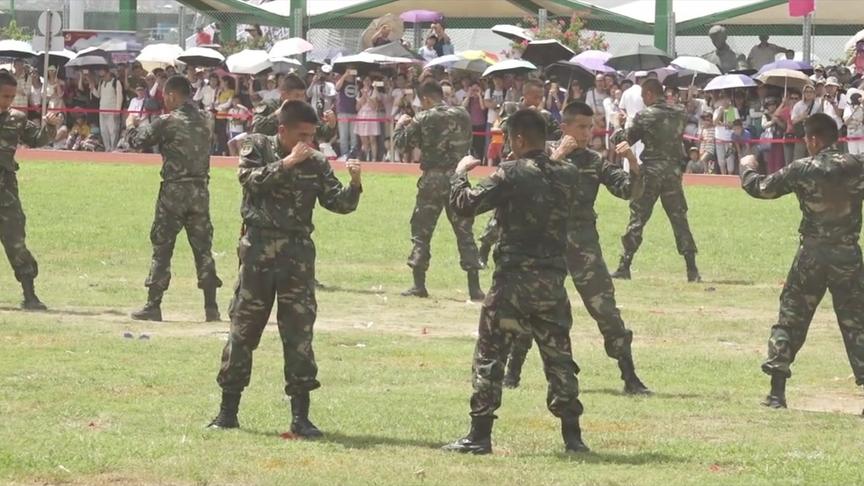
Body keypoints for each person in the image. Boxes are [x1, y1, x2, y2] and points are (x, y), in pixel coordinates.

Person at [207, 100, 362, 433]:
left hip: (297, 254)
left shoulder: (317, 162)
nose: (308, 141)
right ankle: (227, 412)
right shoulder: (257, 147)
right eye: (301, 135)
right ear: (282, 131)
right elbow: (250, 180)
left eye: (312, 135)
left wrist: (355, 183)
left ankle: (300, 417)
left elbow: (338, 203)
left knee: (299, 333)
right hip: (258, 250)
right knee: (243, 329)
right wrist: (288, 163)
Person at [442, 109, 588, 455]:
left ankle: (479, 434)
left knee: (491, 355)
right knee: (559, 359)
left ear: (519, 139)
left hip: (513, 282)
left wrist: (460, 174)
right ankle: (573, 436)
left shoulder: (510, 173)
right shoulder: (569, 174)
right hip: (552, 282)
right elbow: (547, 175)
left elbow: (465, 205)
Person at [500, 102, 651, 394]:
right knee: (532, 308)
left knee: (604, 307)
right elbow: (527, 184)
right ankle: (512, 372)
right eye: (581, 127)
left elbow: (627, 190)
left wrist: (633, 163)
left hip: (582, 243)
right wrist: (558, 155)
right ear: (564, 127)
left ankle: (629, 376)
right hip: (545, 242)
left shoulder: (593, 161)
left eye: (590, 127)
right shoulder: (540, 152)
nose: (587, 133)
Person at [740, 113, 864, 409]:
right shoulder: (857, 166)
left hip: (811, 254)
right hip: (847, 254)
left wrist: (746, 169)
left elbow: (761, 189)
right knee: (857, 323)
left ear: (813, 139)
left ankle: (776, 393)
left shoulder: (803, 168)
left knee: (791, 318)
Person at [125, 76, 222, 322]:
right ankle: (211, 306)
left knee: (162, 247)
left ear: (171, 96)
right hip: (200, 191)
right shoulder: (207, 119)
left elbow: (138, 141)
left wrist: (131, 125)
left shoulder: (168, 121)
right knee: (203, 249)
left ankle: (153, 304)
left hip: (174, 192)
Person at [394, 80, 484, 301]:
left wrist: (399, 125)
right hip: (458, 177)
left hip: (433, 178)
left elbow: (401, 144)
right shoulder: (462, 114)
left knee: (422, 230)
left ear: (426, 99)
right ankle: (474, 287)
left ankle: (419, 284)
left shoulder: (424, 117)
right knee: (465, 232)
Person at [610, 79, 701, 282]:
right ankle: (692, 269)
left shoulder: (645, 115)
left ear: (650, 94)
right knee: (679, 218)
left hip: (651, 171)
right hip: (673, 172)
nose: (643, 100)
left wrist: (617, 126)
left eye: (644, 96)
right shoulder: (679, 113)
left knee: (638, 217)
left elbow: (625, 140)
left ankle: (625, 265)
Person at [0, 71, 62, 309]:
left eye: (11, 97)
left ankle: (29, 294)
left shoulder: (16, 119)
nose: (7, 101)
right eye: (4, 96)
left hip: (6, 192)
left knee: (16, 242)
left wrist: (49, 125)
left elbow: (36, 138)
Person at [91, 67, 124, 151]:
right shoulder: (101, 82)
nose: (102, 78)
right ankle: (107, 148)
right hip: (102, 110)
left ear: (108, 73)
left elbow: (120, 97)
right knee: (104, 131)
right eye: (101, 76)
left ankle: (113, 149)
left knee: (113, 131)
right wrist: (92, 87)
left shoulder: (116, 82)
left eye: (103, 76)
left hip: (112, 111)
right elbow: (98, 95)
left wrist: (117, 110)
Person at [844, 90, 864, 155]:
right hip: (851, 135)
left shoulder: (862, 108)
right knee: (853, 155)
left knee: (862, 155)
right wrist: (854, 112)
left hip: (861, 135)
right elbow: (846, 123)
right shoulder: (848, 108)